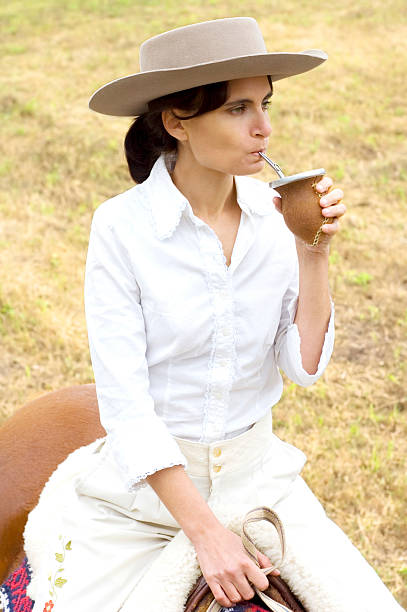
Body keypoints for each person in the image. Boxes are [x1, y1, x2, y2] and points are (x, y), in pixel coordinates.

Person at [23, 17, 404, 612]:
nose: (264, 127)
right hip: (148, 502)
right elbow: (126, 407)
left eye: (266, 104)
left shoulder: (273, 217)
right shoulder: (121, 229)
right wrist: (205, 533)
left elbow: (302, 367)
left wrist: (313, 252)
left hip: (262, 483)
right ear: (176, 121)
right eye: (238, 109)